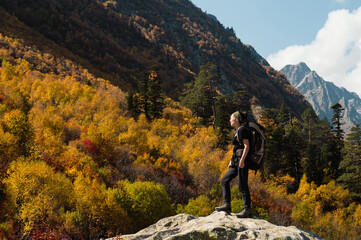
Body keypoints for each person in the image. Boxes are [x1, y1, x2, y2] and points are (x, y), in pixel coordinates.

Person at [215, 111, 252, 218]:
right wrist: (231, 160)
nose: (230, 120)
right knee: (224, 180)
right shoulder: (237, 131)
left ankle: (247, 209)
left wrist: (242, 160)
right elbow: (237, 147)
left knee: (242, 184)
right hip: (236, 160)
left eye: (231, 118)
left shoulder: (242, 130)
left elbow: (246, 146)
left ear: (236, 120)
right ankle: (227, 205)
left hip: (242, 160)